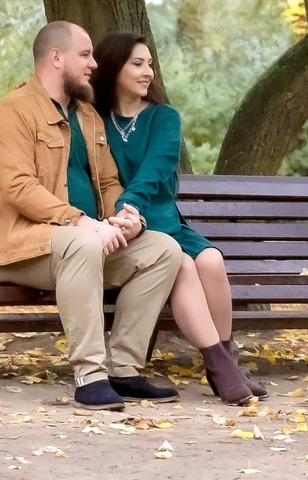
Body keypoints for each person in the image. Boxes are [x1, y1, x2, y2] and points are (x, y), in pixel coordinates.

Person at [0, 21, 189, 411]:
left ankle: (124, 370)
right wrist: (82, 222)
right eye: (85, 54)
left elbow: (108, 181)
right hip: (23, 246)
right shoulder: (13, 112)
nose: (94, 64)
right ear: (56, 58)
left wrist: (128, 216)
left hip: (83, 244)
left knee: (162, 249)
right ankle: (90, 376)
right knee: (82, 244)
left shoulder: (87, 116)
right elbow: (19, 188)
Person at [90, 33, 264, 406]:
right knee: (183, 265)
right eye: (137, 63)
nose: (147, 72)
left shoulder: (163, 117)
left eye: (150, 64)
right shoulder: (93, 121)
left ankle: (227, 361)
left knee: (212, 260)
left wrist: (131, 205)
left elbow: (157, 169)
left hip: (160, 218)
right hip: (123, 227)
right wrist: (122, 216)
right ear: (113, 68)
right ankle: (221, 367)